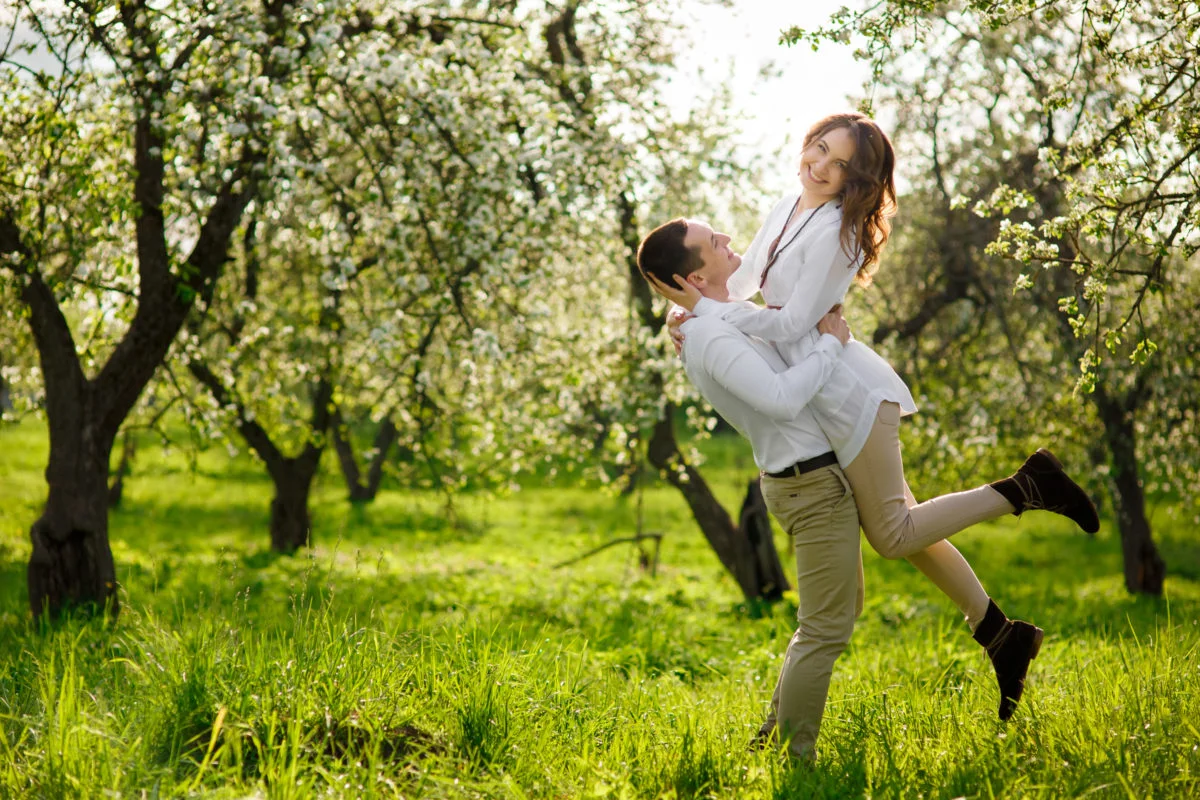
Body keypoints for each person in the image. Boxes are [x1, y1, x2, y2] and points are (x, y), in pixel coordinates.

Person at [644, 113, 1100, 723]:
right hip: (822, 394)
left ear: (856, 181)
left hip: (848, 393)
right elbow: (744, 278)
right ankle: (999, 633)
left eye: (840, 165)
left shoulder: (838, 232)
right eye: (819, 148)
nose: (821, 166)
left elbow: (786, 325)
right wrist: (690, 313)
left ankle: (1027, 487)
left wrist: (707, 312)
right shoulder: (786, 206)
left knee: (893, 533)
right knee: (905, 532)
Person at [637, 219, 864, 761]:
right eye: (716, 242)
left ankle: (774, 732)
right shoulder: (711, 334)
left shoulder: (711, 321)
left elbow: (753, 312)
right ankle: (796, 757)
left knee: (838, 612)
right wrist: (831, 347)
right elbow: (783, 399)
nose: (729, 242)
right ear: (693, 273)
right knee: (825, 630)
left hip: (806, 477)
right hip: (808, 482)